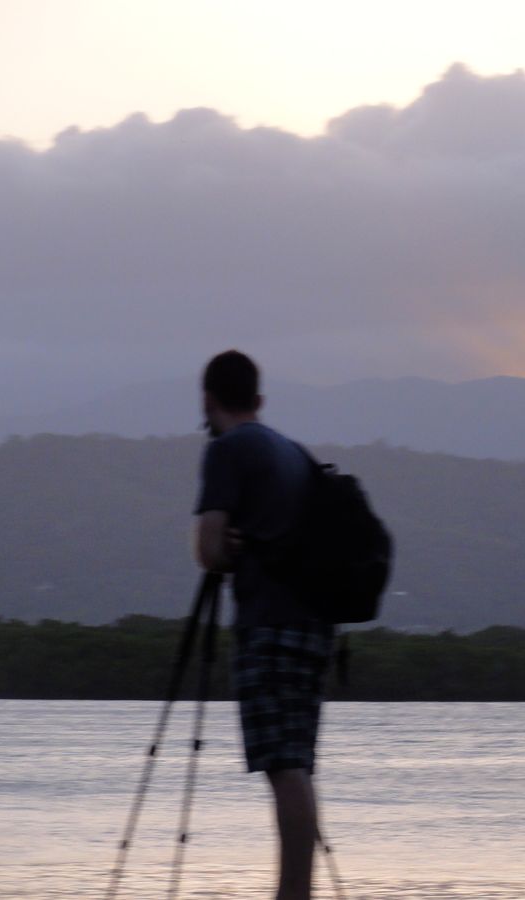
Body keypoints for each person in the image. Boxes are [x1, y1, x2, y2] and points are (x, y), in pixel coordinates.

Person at [193, 349, 332, 900]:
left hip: (269, 626)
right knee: (296, 765)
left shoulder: (228, 450)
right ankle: (298, 890)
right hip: (316, 628)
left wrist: (221, 547)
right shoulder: (293, 454)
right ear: (259, 399)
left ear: (208, 401)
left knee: (282, 767)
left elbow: (208, 550)